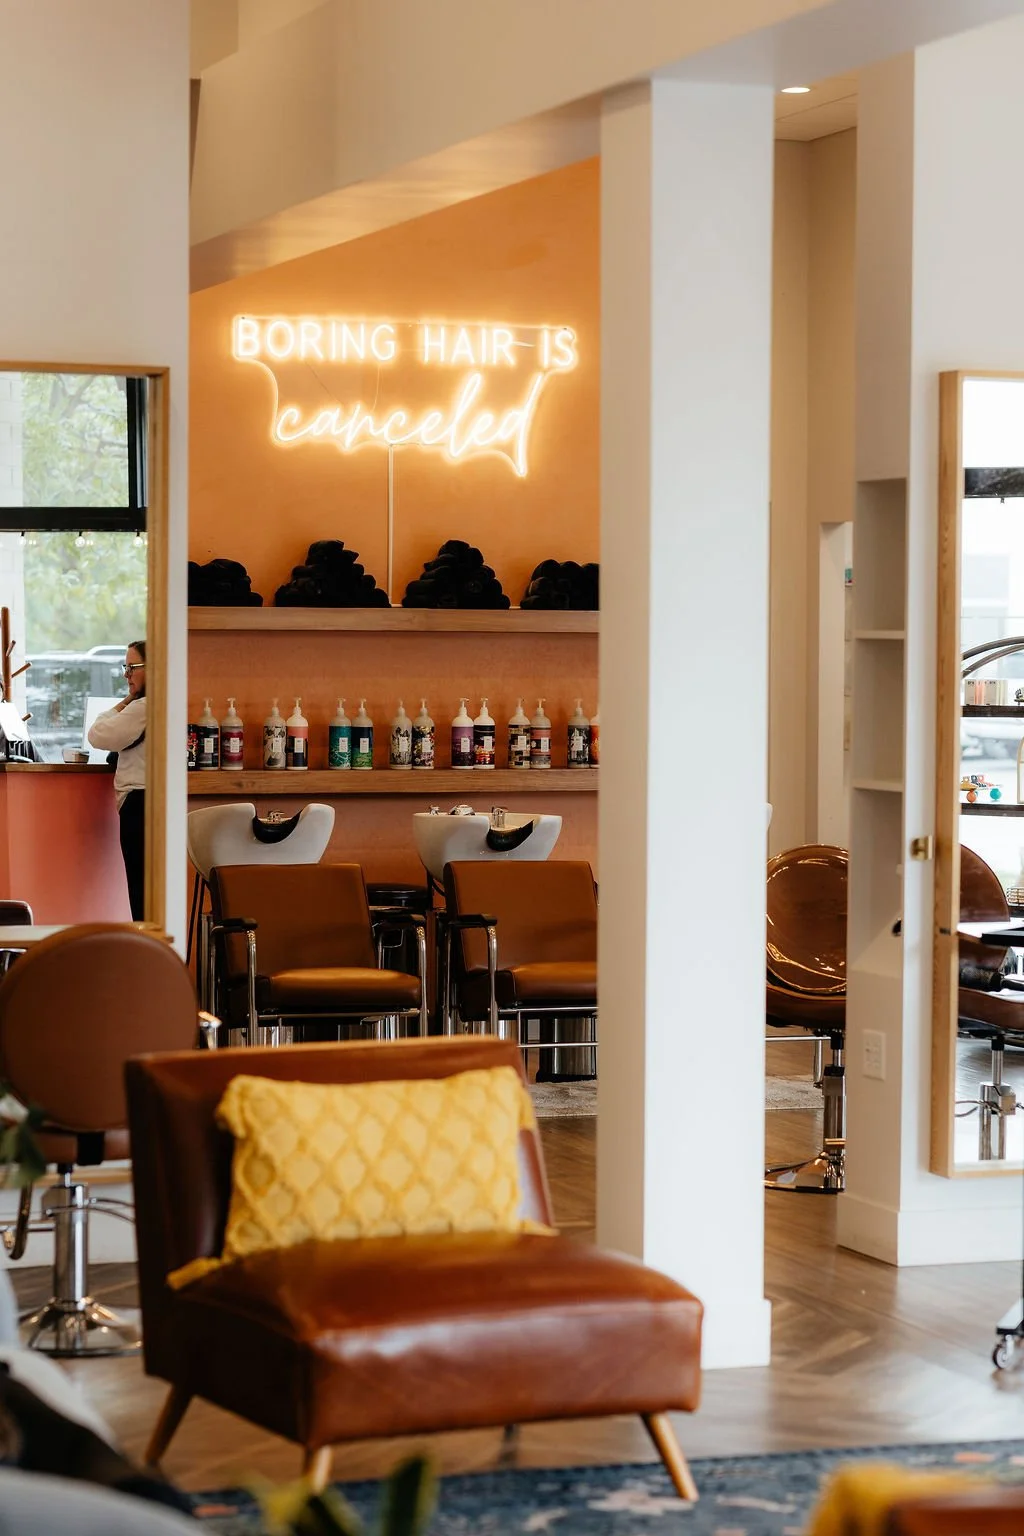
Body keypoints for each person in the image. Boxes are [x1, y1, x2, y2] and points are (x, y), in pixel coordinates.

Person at [87, 642, 146, 921]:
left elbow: (98, 734)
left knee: (141, 891)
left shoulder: (144, 707)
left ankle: (150, 957)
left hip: (140, 804)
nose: (126, 674)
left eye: (133, 667)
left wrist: (124, 702)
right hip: (148, 804)